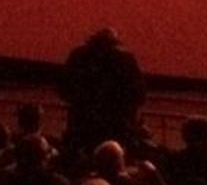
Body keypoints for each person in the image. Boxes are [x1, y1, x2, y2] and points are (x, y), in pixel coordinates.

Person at [59, 29, 146, 157]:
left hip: (81, 125)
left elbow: (64, 89)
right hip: (118, 127)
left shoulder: (78, 56)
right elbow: (139, 94)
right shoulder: (125, 59)